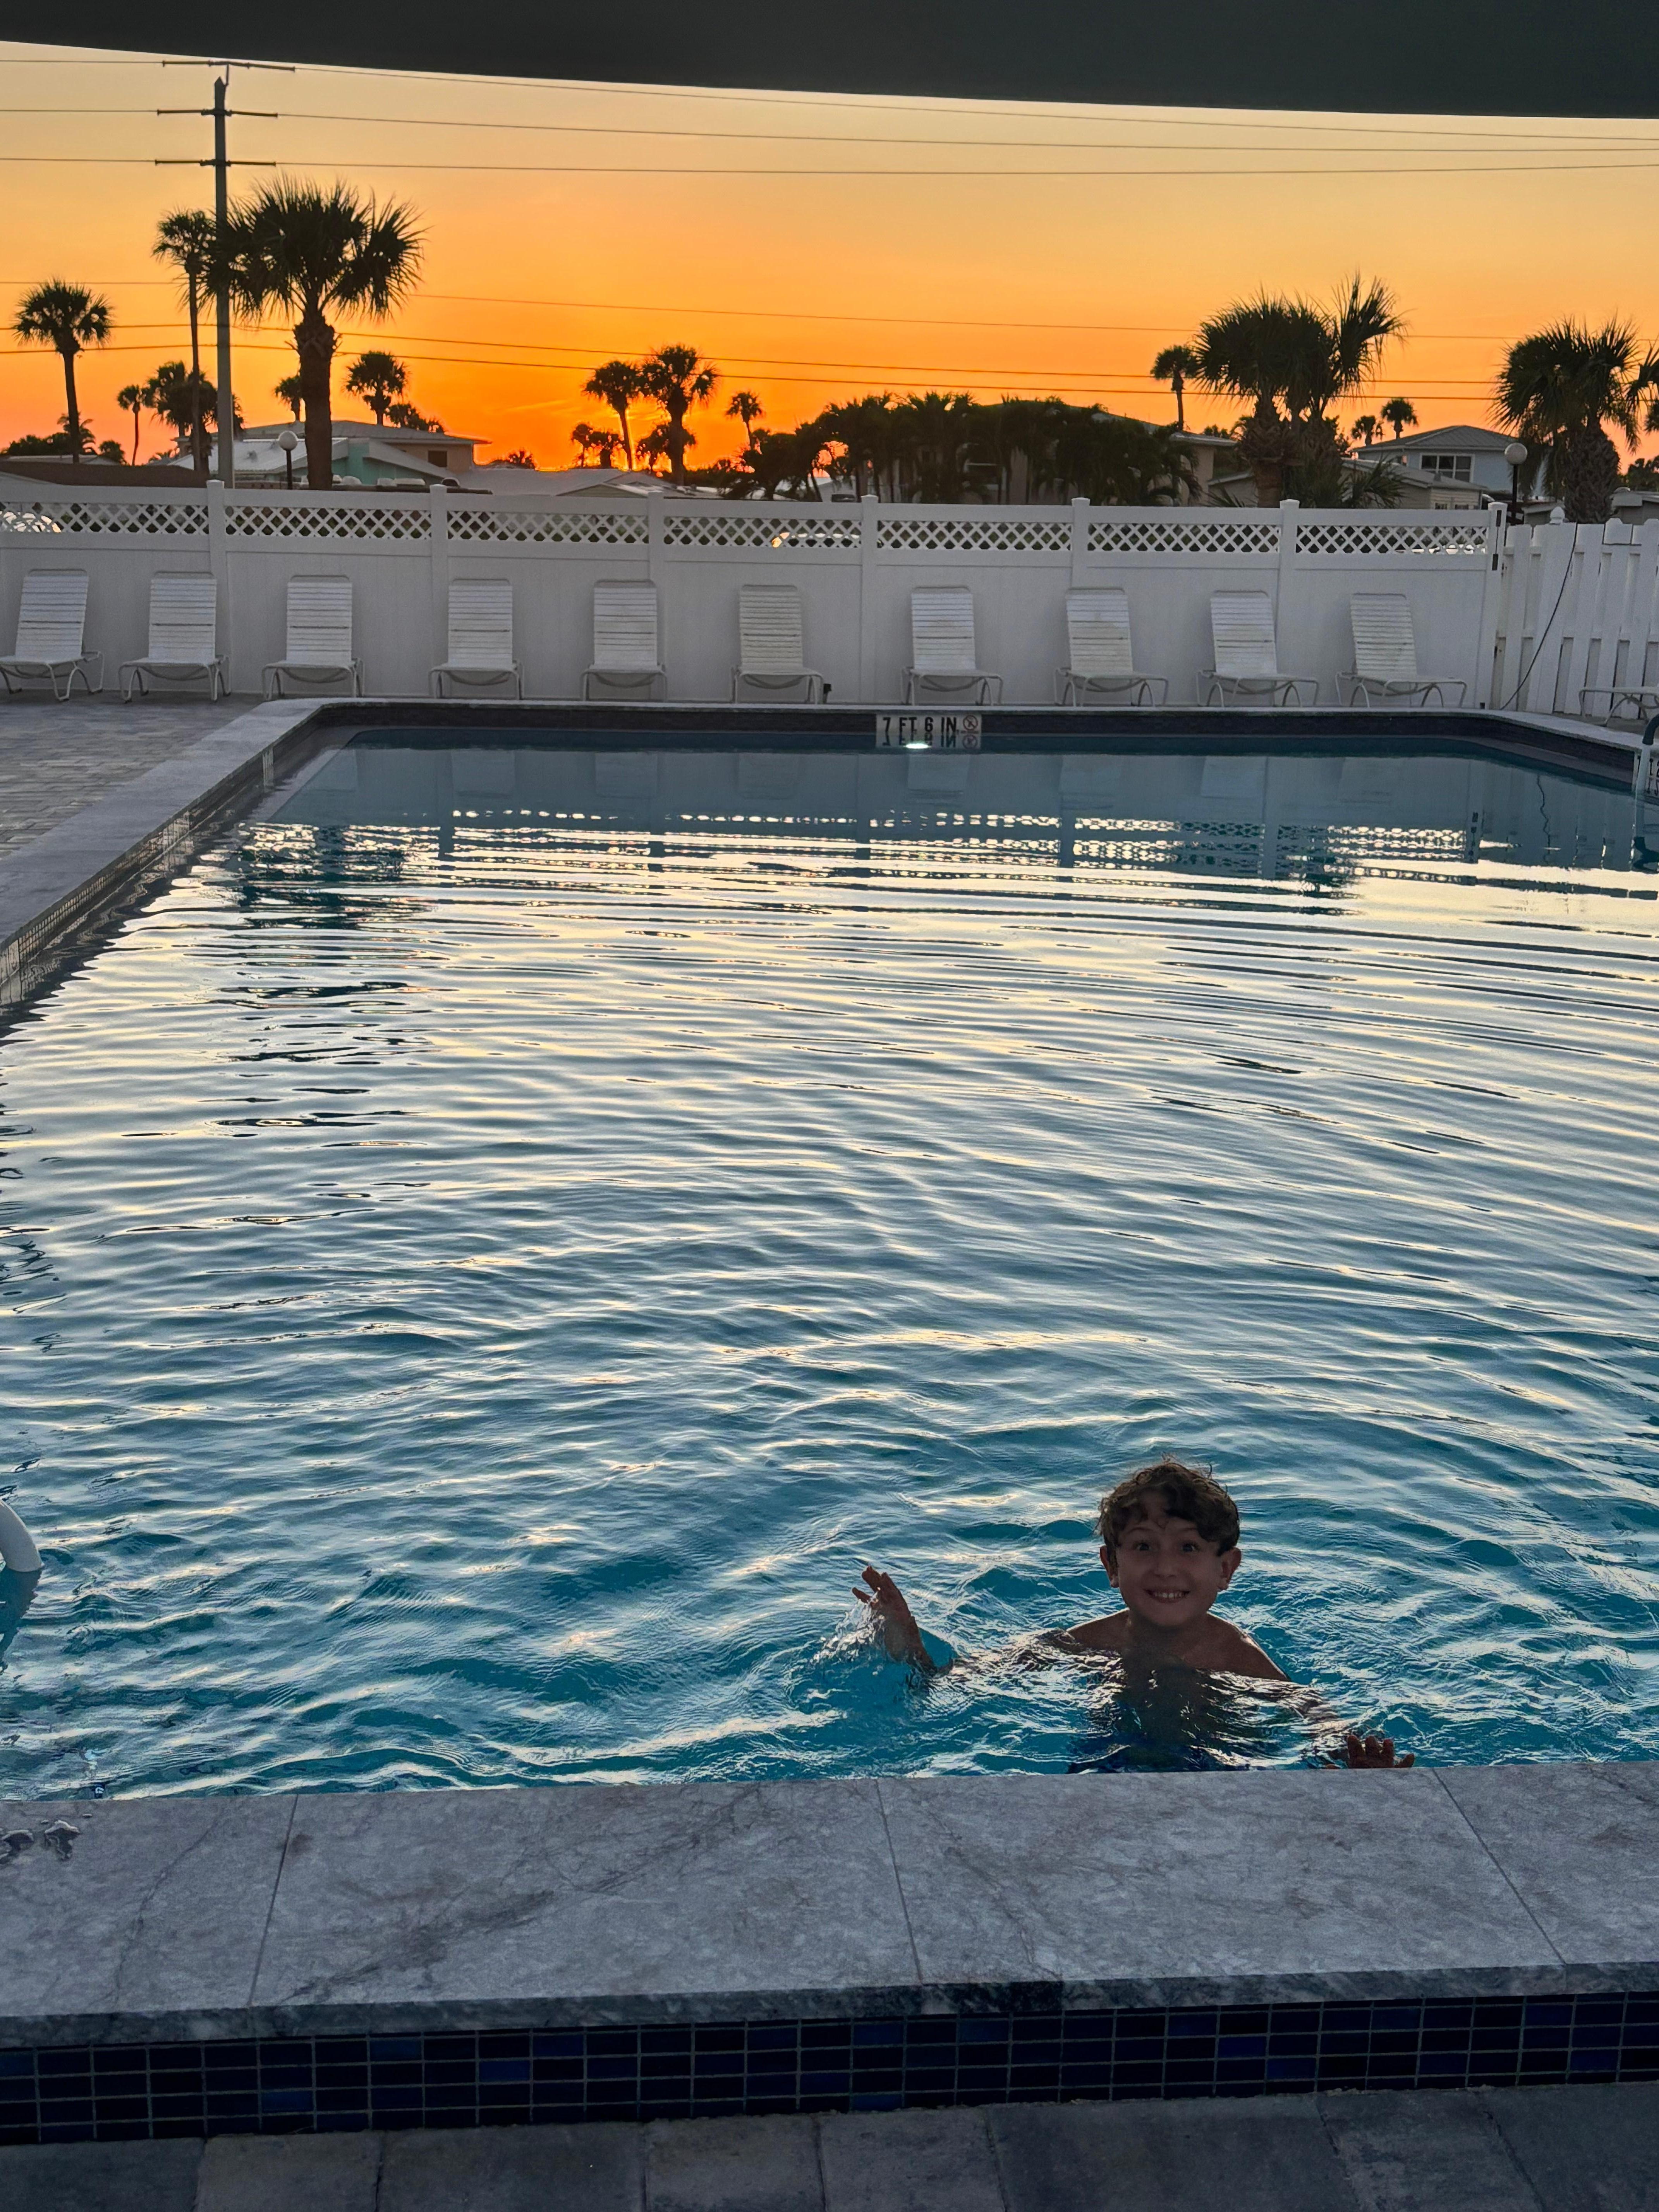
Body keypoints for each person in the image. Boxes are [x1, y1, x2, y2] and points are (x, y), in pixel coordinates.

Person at [855, 1454, 1413, 1769]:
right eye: (1144, 1546)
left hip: (1218, 1764)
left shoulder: (1234, 1654)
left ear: (1227, 1569)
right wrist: (909, 1645)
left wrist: (1348, 1753)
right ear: (1111, 1565)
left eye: (1188, 1548)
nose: (1165, 1568)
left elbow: (1313, 1714)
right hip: (1107, 1756)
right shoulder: (1085, 1641)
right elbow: (953, 1685)